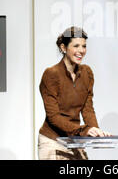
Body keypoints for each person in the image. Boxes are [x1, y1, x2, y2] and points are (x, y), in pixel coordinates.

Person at [38, 26, 110, 160]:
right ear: (63, 48)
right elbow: (54, 117)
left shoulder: (87, 73)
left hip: (75, 139)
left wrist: (95, 131)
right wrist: (84, 130)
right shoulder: (51, 74)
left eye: (84, 46)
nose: (81, 51)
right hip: (53, 141)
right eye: (76, 46)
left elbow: (87, 109)